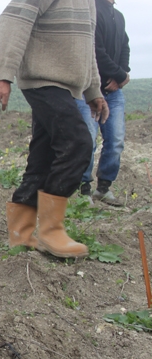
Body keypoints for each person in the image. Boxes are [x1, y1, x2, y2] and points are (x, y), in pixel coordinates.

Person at [0, 0, 109, 258]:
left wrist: (93, 90)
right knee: (78, 144)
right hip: (43, 81)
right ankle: (51, 231)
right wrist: (4, 75)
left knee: (42, 158)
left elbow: (87, 48)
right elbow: (13, 21)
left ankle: (20, 233)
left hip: (68, 86)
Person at [77, 0, 131, 207]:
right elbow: (95, 51)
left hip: (113, 91)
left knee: (116, 140)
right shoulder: (91, 11)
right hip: (88, 88)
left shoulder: (118, 16)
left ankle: (103, 188)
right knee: (88, 140)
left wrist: (121, 75)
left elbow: (125, 46)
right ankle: (84, 190)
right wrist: (117, 74)